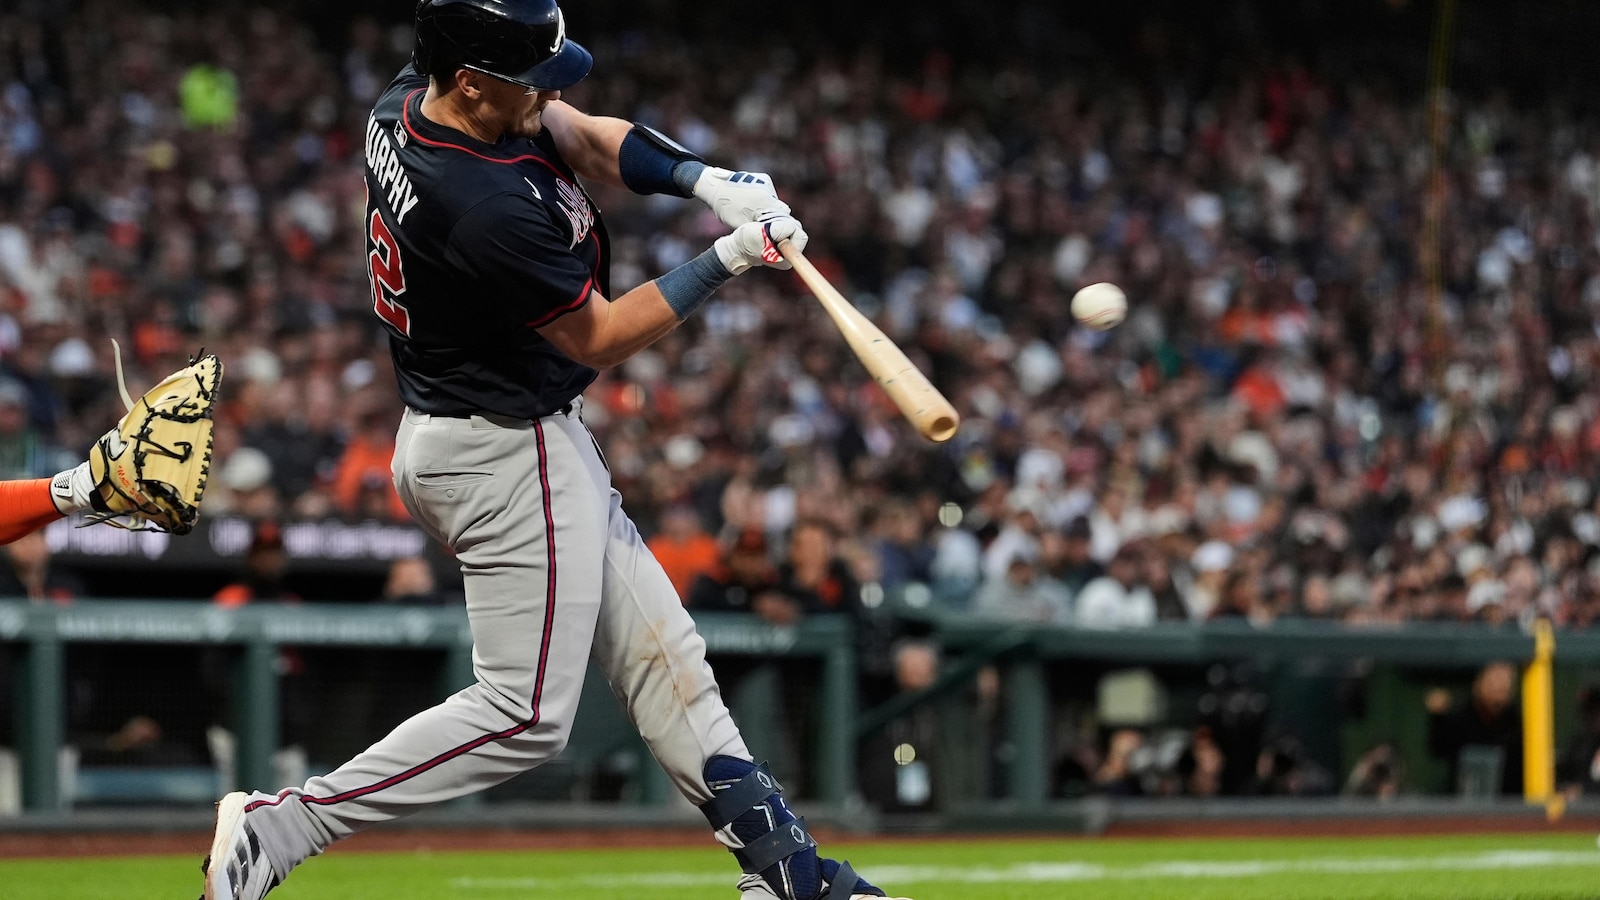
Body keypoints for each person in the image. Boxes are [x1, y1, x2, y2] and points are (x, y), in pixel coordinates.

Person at [197, 4, 909, 900]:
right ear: (470, 80)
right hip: (499, 448)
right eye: (529, 78)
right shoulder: (479, 202)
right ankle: (285, 824)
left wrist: (704, 180)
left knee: (666, 656)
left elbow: (586, 137)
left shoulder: (413, 98)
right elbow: (599, 338)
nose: (551, 92)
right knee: (525, 716)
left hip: (498, 431)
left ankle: (788, 874)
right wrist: (727, 257)